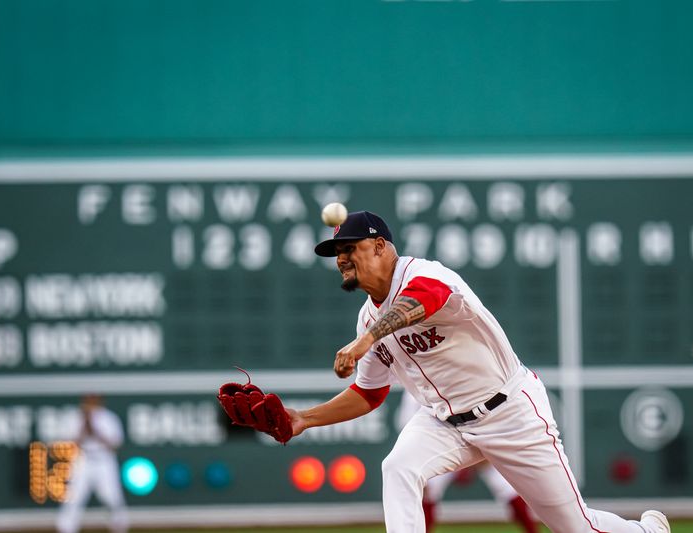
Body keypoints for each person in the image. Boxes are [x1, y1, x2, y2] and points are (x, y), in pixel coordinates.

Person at [287, 210, 671, 533]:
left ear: (381, 247)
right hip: (444, 422)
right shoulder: (367, 317)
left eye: (349, 248)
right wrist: (304, 419)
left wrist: (366, 340)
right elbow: (369, 394)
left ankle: (647, 531)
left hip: (509, 413)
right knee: (398, 467)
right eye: (336, 252)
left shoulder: (427, 276)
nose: (340, 259)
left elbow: (424, 300)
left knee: (577, 527)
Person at [395, 389, 540, 533]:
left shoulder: (465, 374)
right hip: (440, 446)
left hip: (477, 439)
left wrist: (482, 452)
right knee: (428, 492)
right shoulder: (414, 388)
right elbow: (407, 427)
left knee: (506, 488)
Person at [57, 394, 128, 533]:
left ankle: (119, 527)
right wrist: (85, 426)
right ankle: (66, 528)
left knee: (111, 497)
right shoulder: (75, 418)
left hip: (104, 459)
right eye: (88, 400)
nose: (90, 403)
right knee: (74, 498)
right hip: (82, 459)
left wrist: (95, 431)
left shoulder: (108, 418)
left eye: (93, 399)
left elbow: (115, 444)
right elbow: (70, 444)